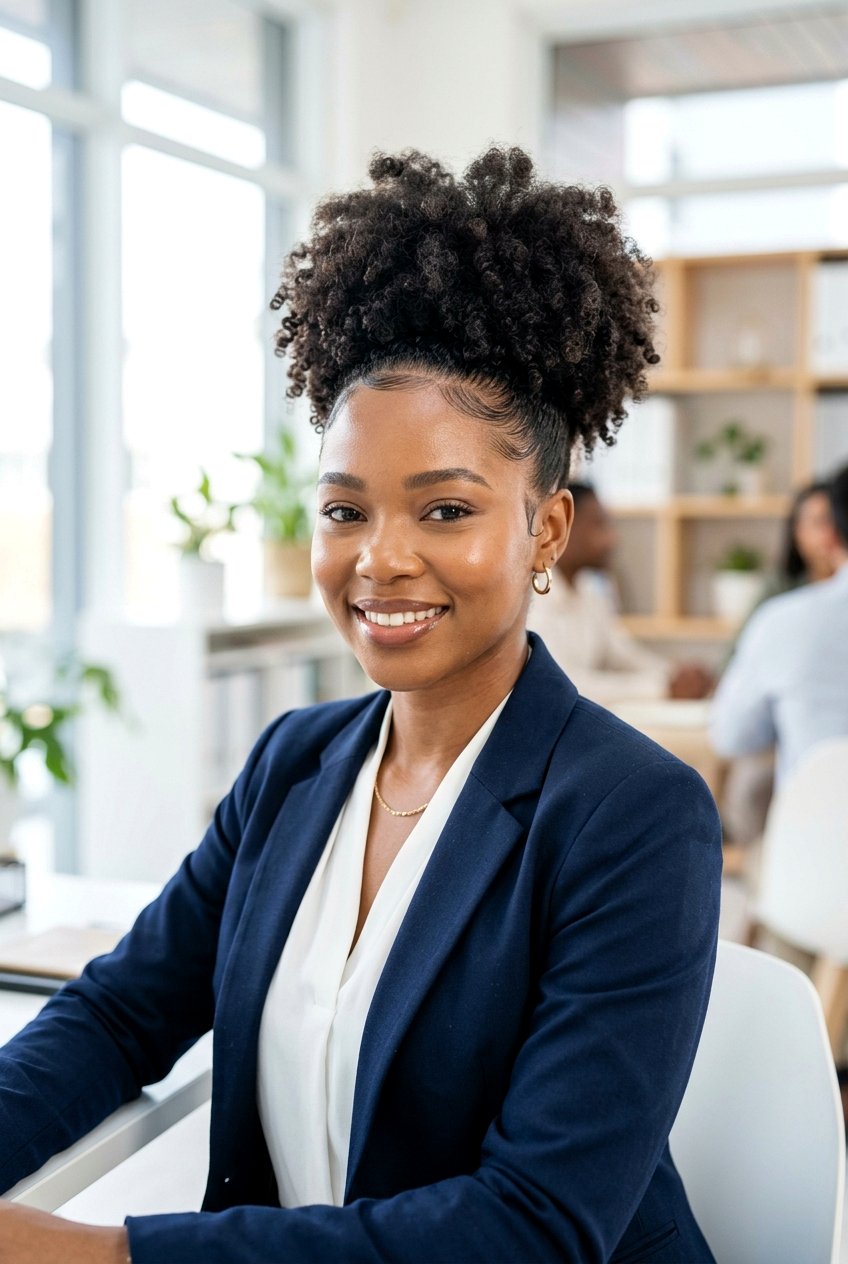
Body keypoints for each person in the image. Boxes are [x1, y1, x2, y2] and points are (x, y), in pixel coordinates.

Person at [0, 147, 721, 1263]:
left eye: (443, 509)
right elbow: (118, 1013)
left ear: (544, 530)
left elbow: (530, 1225)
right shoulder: (294, 762)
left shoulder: (632, 815)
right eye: (345, 511)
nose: (379, 560)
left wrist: (95, 1254)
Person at [711, 463, 848, 785]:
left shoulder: (782, 620)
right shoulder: (779, 596)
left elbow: (730, 735)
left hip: (818, 828)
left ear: (832, 533)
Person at [528, 482, 712, 703]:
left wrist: (676, 676)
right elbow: (563, 684)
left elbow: (622, 654)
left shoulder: (589, 590)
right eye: (598, 525)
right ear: (560, 527)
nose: (611, 540)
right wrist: (662, 688)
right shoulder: (531, 599)